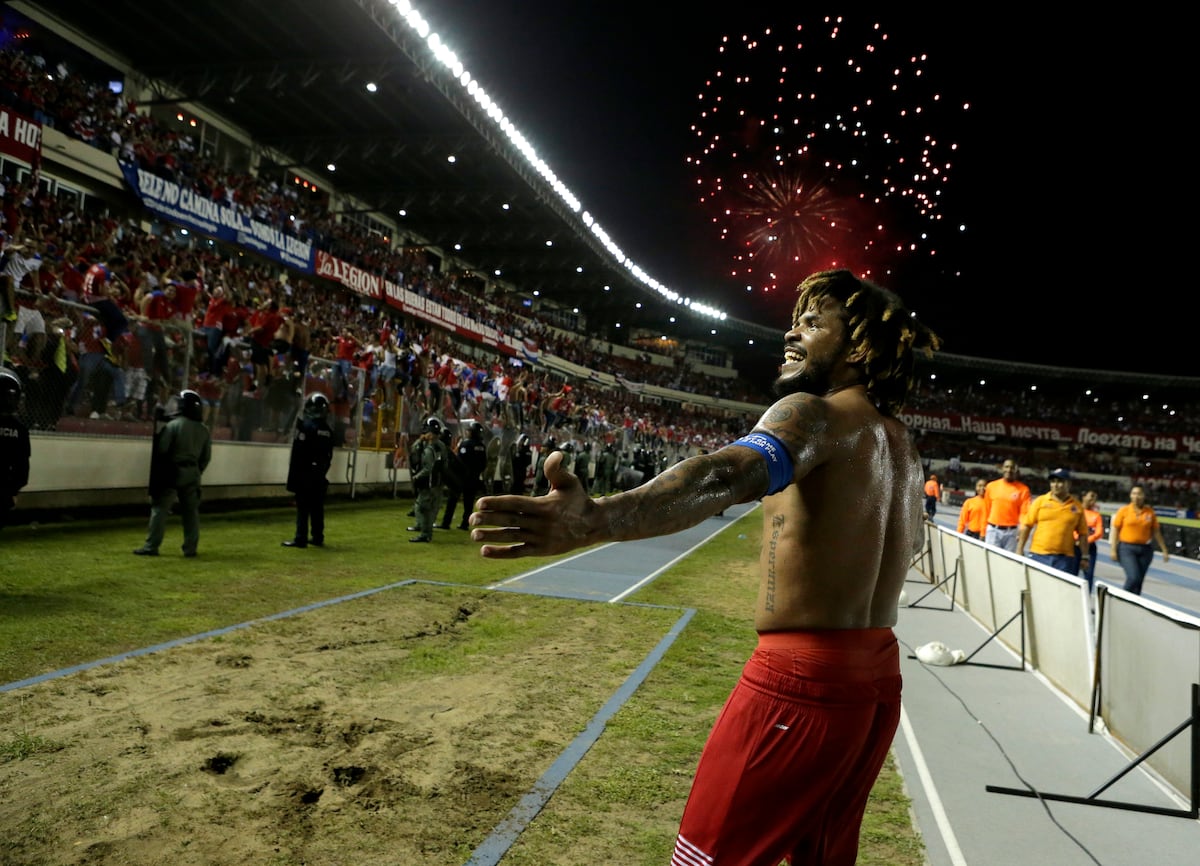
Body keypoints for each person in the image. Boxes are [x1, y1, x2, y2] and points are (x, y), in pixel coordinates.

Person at [470, 268, 940, 865]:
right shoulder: (901, 444)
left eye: (813, 323)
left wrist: (598, 519)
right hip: (874, 684)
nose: (792, 334)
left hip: (802, 682)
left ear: (859, 347)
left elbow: (725, 474)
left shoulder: (813, 415)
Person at [134, 389, 212, 557]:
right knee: (191, 513)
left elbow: (162, 450)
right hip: (193, 473)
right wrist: (197, 471)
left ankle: (151, 546)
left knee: (160, 509)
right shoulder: (203, 430)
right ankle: (190, 548)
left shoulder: (173, 426)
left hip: (173, 472)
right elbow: (206, 458)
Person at [282, 392, 335, 549]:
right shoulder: (328, 431)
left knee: (303, 508)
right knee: (317, 507)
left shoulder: (307, 428)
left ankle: (301, 538)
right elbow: (328, 456)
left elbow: (300, 453)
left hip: (305, 474)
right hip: (319, 473)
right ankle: (318, 536)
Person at [1015, 468, 1089, 576]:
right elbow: (1027, 525)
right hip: (1039, 555)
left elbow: (1083, 534)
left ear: (1068, 484)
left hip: (1065, 559)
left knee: (1060, 590)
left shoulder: (1077, 507)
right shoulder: (1040, 501)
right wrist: (1019, 549)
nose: (1055, 485)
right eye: (1053, 481)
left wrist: (1085, 557)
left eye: (1060, 482)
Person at [1110, 485, 1170, 595]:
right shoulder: (1124, 511)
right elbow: (1116, 530)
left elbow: (1156, 531)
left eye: (1139, 494)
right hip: (1127, 549)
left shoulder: (1150, 512)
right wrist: (1113, 549)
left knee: (1139, 582)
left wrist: (1164, 550)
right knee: (1133, 577)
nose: (1136, 496)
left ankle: (1133, 606)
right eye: (1134, 493)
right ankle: (1120, 598)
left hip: (1145, 550)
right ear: (1130, 495)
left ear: (1144, 496)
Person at [0, 367, 30, 533]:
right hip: (5, 489)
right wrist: (14, 490)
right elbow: (22, 465)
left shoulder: (19, 428)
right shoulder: (19, 428)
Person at [442, 419, 487, 530]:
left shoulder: (466, 444)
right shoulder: (482, 446)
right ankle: (465, 524)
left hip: (462, 477)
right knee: (469, 502)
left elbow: (460, 461)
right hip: (474, 478)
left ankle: (446, 523)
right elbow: (484, 463)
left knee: (452, 500)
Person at [406, 415, 444, 543]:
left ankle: (425, 534)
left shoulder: (429, 449)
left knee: (421, 508)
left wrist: (417, 477)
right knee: (429, 508)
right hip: (437, 482)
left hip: (428, 483)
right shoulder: (441, 446)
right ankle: (424, 531)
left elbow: (428, 468)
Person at [982, 458, 1031, 552]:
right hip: (993, 531)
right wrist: (983, 531)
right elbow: (986, 510)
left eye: (1012, 467)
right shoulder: (991, 486)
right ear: (1002, 469)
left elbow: (1024, 512)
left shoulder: (1023, 490)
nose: (1009, 470)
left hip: (1011, 533)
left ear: (1016, 470)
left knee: (1008, 562)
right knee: (992, 559)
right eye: (1006, 467)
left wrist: (1021, 529)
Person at [1074, 490, 1104, 591]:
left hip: (1090, 548)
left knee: (1089, 574)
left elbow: (1099, 533)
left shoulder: (1096, 515)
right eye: (1091, 496)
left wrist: (1085, 541)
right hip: (1074, 547)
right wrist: (1076, 539)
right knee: (1072, 573)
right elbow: (1071, 527)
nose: (1093, 500)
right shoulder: (1076, 510)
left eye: (1095, 498)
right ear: (1083, 497)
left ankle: (1086, 597)